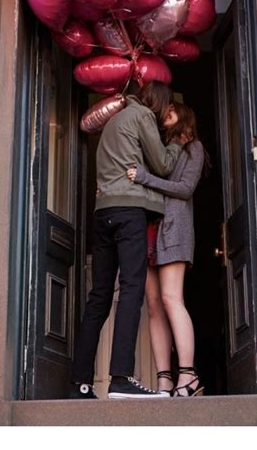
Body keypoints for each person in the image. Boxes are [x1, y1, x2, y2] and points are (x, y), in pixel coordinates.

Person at [69, 81, 184, 400]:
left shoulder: (113, 120)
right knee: (132, 288)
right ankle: (120, 378)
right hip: (128, 209)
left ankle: (81, 383)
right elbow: (162, 164)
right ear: (159, 104)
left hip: (103, 211)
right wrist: (175, 141)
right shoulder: (143, 115)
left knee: (100, 297)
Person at [127, 102, 206, 397]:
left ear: (184, 114)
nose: (166, 112)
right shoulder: (158, 148)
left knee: (172, 299)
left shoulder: (193, 148)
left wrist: (145, 178)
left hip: (174, 230)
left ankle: (188, 376)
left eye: (172, 108)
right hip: (150, 228)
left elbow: (185, 189)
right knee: (154, 305)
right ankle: (164, 381)